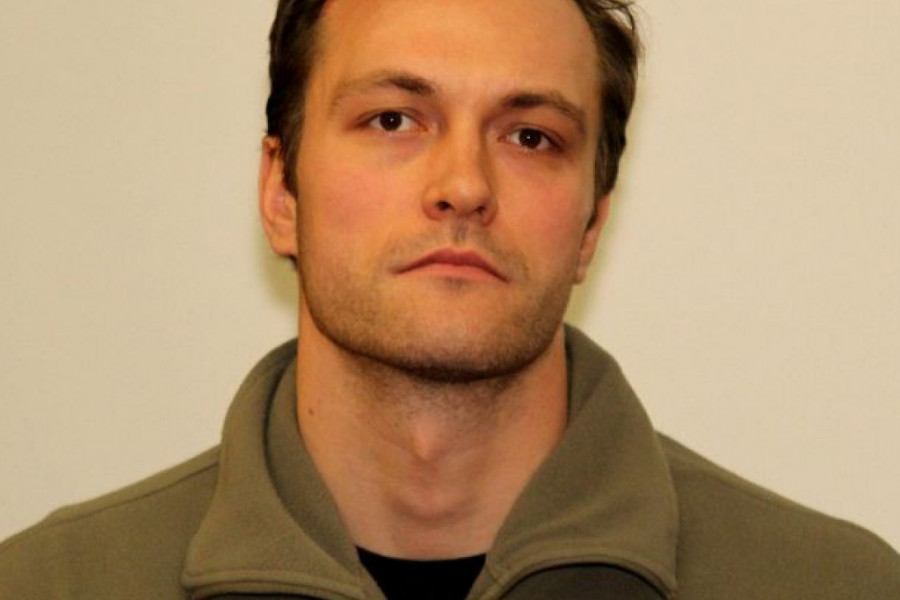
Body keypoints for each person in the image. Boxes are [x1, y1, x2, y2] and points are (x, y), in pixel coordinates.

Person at [1, 0, 898, 598]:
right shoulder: (50, 585)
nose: (464, 185)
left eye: (530, 136)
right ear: (280, 193)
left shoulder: (837, 588)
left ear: (591, 225)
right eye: (393, 119)